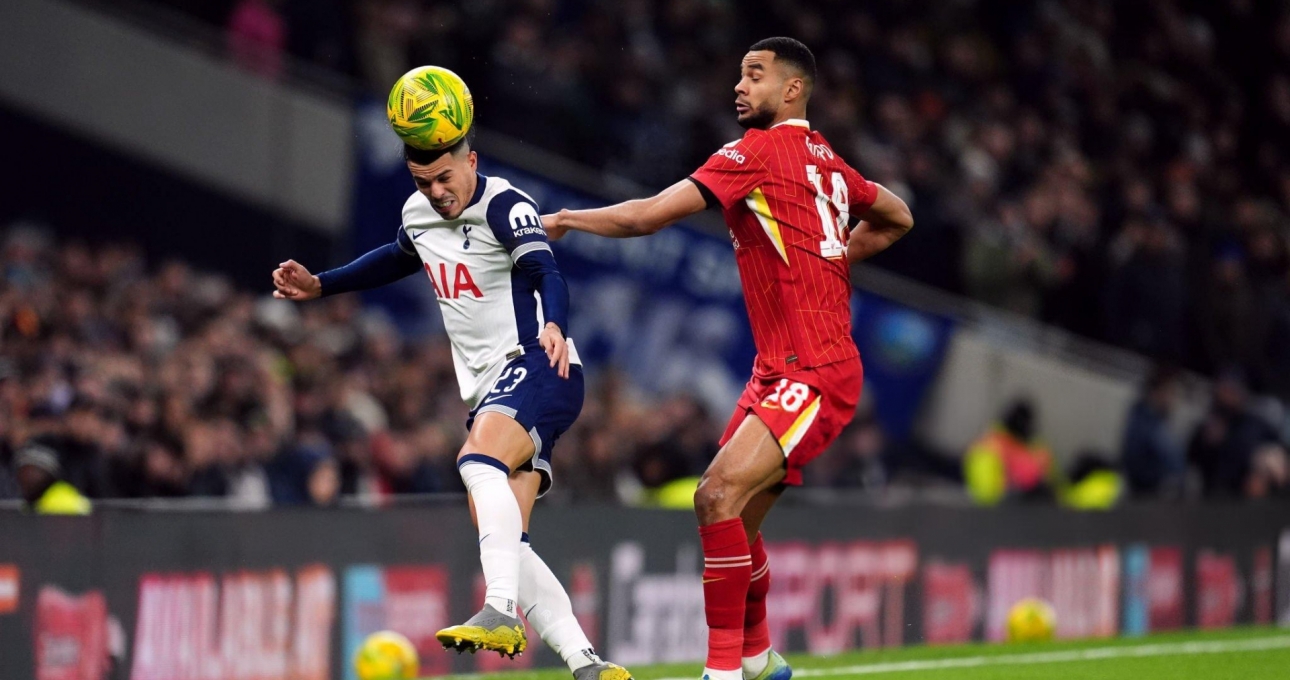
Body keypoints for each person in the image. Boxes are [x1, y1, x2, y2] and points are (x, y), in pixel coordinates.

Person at [544, 37, 913, 680]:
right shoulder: (828, 160)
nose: (739, 87)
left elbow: (645, 218)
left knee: (716, 495)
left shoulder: (755, 153)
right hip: (778, 369)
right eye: (739, 74)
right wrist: (837, 258)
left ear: (792, 89)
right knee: (733, 519)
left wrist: (570, 219)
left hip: (815, 369)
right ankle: (760, 659)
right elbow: (897, 216)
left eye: (755, 75)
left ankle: (723, 673)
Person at [271, 129, 630, 680]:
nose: (437, 191)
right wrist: (323, 284)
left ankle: (499, 612)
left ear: (472, 161)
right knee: (509, 539)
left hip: (538, 361)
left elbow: (545, 270)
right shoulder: (418, 212)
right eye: (424, 181)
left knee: (476, 461)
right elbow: (396, 257)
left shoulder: (506, 204)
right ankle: (588, 665)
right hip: (494, 387)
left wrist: (555, 322)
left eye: (445, 177)